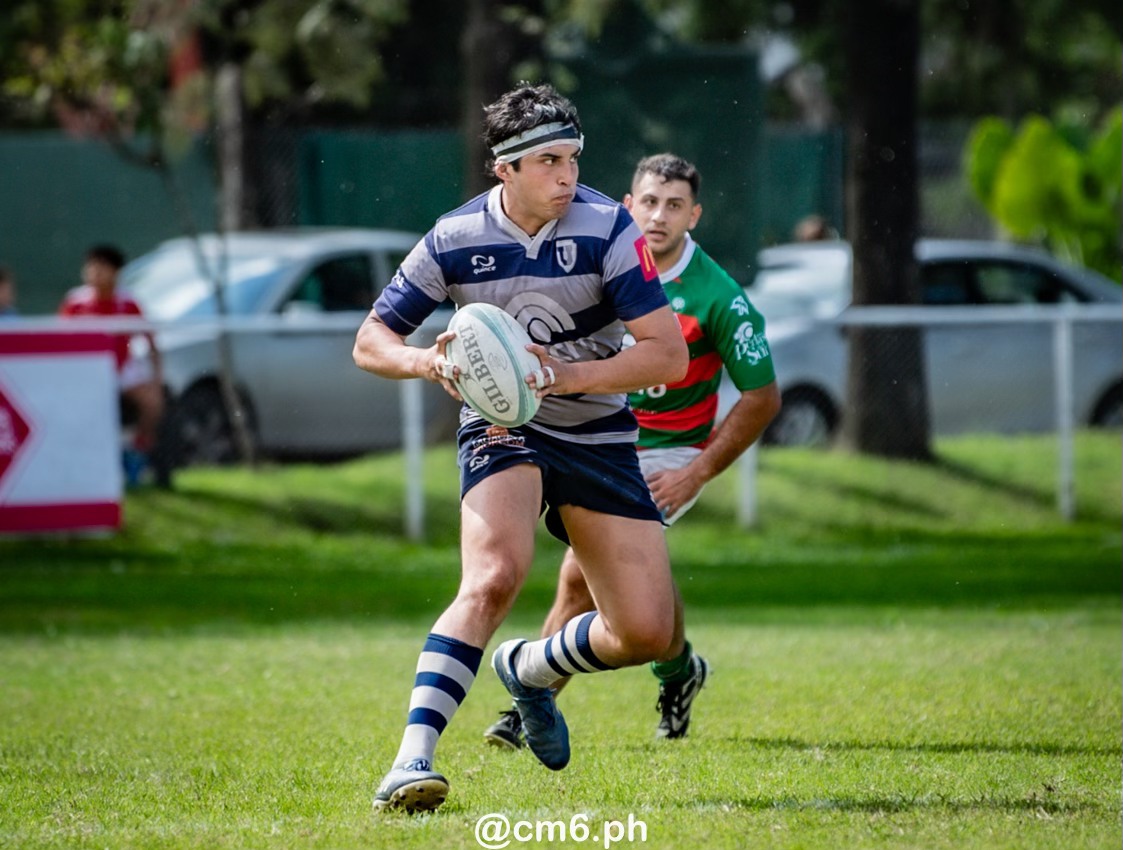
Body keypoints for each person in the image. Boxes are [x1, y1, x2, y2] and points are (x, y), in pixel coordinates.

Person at [353, 83, 688, 814]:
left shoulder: (608, 228)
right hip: (502, 421)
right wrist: (429, 363)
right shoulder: (453, 236)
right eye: (547, 161)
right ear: (503, 169)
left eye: (571, 158)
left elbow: (665, 356)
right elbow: (370, 341)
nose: (566, 175)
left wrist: (565, 375)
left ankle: (527, 666)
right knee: (494, 576)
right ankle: (411, 762)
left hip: (596, 428)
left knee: (645, 632)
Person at [482, 153, 781, 749]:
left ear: (694, 215)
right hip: (597, 439)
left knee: (577, 577)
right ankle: (679, 671)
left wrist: (696, 473)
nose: (658, 216)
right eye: (648, 202)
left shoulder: (718, 295)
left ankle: (529, 699)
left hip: (666, 457)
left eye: (674, 205)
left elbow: (763, 397)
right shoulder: (602, 267)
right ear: (627, 205)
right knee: (647, 604)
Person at [58, 245, 167, 485]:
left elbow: (151, 342)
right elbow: (59, 341)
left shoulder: (128, 303)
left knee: (153, 402)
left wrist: (157, 379)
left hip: (122, 369)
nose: (94, 273)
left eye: (101, 267)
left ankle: (135, 453)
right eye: (91, 267)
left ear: (115, 272)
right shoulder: (76, 302)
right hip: (86, 373)